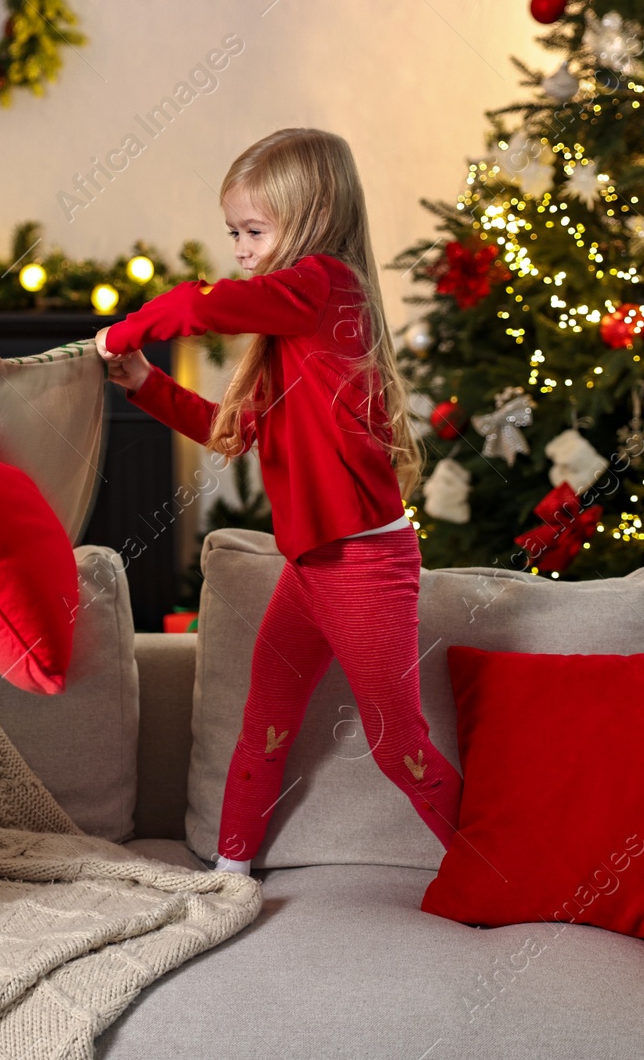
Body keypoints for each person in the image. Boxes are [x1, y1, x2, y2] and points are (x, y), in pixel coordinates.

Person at [95, 127, 462, 875]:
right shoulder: (291, 334)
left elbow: (206, 308)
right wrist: (142, 384)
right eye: (234, 232)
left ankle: (498, 872)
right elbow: (227, 433)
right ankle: (230, 874)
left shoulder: (327, 286)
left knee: (399, 744)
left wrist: (130, 328)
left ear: (311, 219)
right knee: (264, 720)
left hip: (364, 559)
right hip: (309, 563)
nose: (241, 248)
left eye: (255, 231)